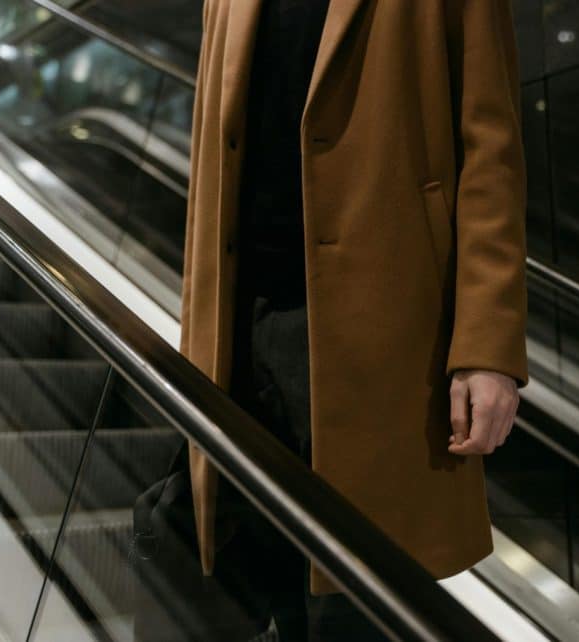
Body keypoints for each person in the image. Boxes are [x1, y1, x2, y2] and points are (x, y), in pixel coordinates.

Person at [179, 0, 529, 638]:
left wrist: (489, 346)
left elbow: (491, 150)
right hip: (239, 325)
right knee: (262, 579)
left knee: (362, 602)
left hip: (383, 333)